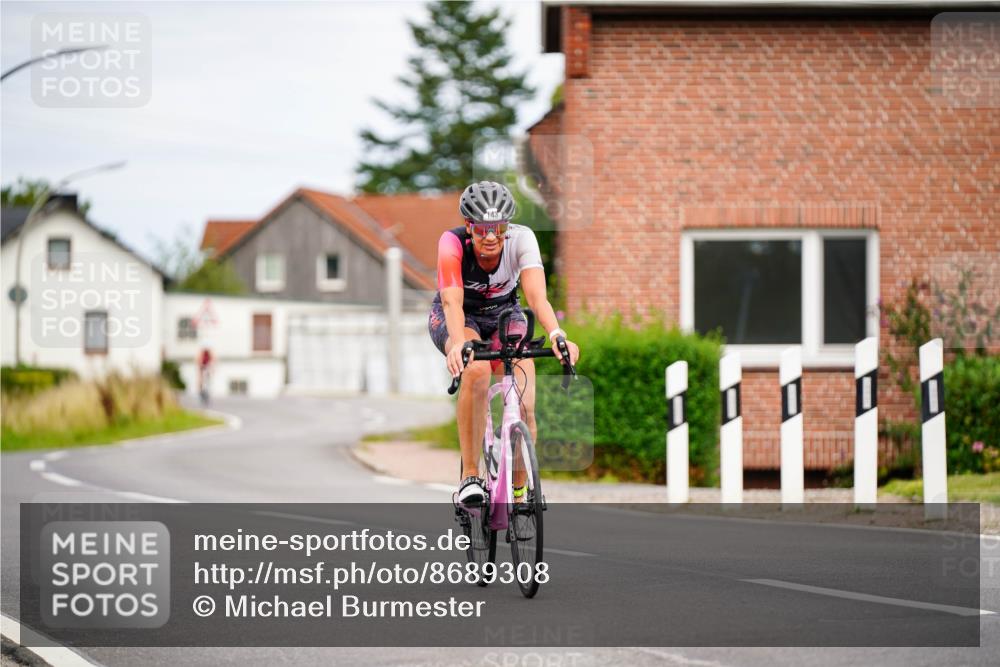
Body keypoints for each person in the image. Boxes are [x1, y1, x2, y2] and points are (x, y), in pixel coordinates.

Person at [428, 181, 580, 505]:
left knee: (525, 404)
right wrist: (458, 345)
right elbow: (452, 302)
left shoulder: (522, 238)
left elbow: (537, 297)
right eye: (482, 229)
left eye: (498, 227)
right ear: (470, 226)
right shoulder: (451, 243)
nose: (491, 236)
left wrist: (557, 334)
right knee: (478, 370)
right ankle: (470, 475)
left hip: (504, 314)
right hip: (461, 317)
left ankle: (520, 490)